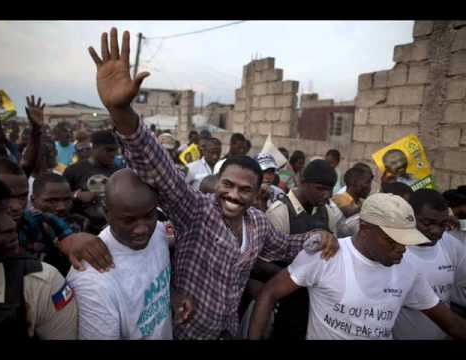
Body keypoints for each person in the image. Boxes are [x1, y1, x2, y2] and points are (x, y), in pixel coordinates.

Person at [84, 27, 338, 340]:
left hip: (227, 331)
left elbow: (286, 245)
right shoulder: (195, 210)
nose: (233, 194)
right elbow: (157, 166)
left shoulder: (258, 224)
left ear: (258, 192)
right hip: (185, 331)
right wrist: (121, 110)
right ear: (217, 183)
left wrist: (320, 237)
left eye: (245, 189)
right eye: (227, 184)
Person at [249, 193, 466, 340]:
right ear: (364, 229)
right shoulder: (326, 256)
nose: (401, 248)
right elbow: (270, 292)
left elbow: (451, 323)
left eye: (406, 239)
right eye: (392, 239)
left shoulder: (407, 269)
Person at [67, 169, 193, 339]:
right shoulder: (92, 281)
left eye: (149, 216)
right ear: (106, 213)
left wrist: (173, 297)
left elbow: (150, 282)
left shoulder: (158, 232)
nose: (142, 229)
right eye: (128, 220)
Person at [0, 170, 77, 339]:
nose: (9, 225)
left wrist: (74, 241)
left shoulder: (40, 282)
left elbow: (68, 235)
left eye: (22, 197)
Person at [258, 159, 342, 339]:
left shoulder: (328, 213)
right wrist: (300, 278)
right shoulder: (280, 212)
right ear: (303, 183)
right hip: (287, 301)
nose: (326, 195)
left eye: (330, 189)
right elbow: (262, 264)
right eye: (320, 189)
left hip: (318, 303)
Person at [0, 157, 103, 276]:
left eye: (22, 197)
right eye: (8, 198)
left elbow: (67, 238)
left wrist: (73, 241)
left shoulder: (38, 219)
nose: (16, 206)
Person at [392, 189, 466, 339]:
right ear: (410, 217)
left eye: (443, 224)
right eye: (427, 223)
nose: (436, 231)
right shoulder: (392, 250)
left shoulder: (452, 246)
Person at [64, 130, 121, 234]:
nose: (113, 154)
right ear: (94, 148)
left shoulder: (119, 171)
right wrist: (77, 195)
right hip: (82, 230)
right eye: (108, 150)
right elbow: (60, 198)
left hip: (111, 230)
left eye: (115, 150)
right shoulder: (73, 171)